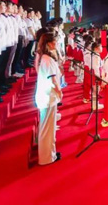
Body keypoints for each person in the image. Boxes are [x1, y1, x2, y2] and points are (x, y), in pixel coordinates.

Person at [35, 33, 63, 165]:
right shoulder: (46, 59)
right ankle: (46, 157)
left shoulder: (47, 57)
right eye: (55, 42)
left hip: (48, 96)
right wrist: (59, 91)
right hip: (47, 96)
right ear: (49, 44)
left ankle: (50, 154)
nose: (56, 44)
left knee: (49, 127)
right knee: (47, 128)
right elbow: (53, 79)